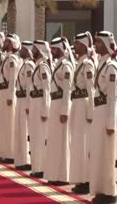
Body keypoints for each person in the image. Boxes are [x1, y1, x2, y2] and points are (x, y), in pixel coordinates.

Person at [90, 31, 117, 204]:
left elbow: (113, 96)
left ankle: (110, 192)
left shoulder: (111, 67)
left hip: (107, 112)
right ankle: (101, 190)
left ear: (107, 44)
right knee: (99, 152)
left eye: (99, 42)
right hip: (98, 110)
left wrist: (111, 122)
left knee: (108, 153)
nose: (96, 45)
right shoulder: (101, 64)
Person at [43, 37, 75, 186]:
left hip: (61, 105)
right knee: (55, 141)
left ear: (60, 49)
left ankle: (63, 176)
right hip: (54, 104)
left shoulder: (66, 66)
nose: (52, 51)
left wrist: (64, 110)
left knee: (62, 142)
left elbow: (68, 90)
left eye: (54, 49)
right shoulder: (58, 65)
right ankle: (54, 174)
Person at [69, 31, 96, 194]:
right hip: (77, 105)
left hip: (84, 106)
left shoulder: (87, 64)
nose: (75, 46)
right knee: (78, 144)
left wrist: (91, 112)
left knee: (84, 144)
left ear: (84, 45)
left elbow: (91, 89)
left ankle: (86, 180)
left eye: (77, 43)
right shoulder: (80, 62)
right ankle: (80, 179)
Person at [28, 40, 52, 178]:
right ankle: (36, 167)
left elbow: (46, 89)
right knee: (35, 137)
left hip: (40, 104)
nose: (32, 50)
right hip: (34, 103)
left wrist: (45, 109)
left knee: (40, 137)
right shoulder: (38, 65)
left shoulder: (43, 67)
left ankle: (41, 168)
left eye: (35, 48)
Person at [0, 33, 22, 163]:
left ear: (11, 44)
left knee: (9, 124)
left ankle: (10, 153)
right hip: (2, 92)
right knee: (3, 124)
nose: (4, 43)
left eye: (7, 41)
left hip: (8, 93)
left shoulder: (12, 59)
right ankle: (4, 152)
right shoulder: (6, 58)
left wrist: (11, 96)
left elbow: (12, 79)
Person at [14, 41, 35, 170]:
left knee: (25, 131)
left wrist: (28, 104)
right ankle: (21, 159)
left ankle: (27, 160)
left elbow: (29, 86)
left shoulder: (29, 66)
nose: (20, 50)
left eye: (22, 48)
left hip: (25, 101)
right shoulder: (24, 65)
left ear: (27, 51)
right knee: (20, 130)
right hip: (20, 100)